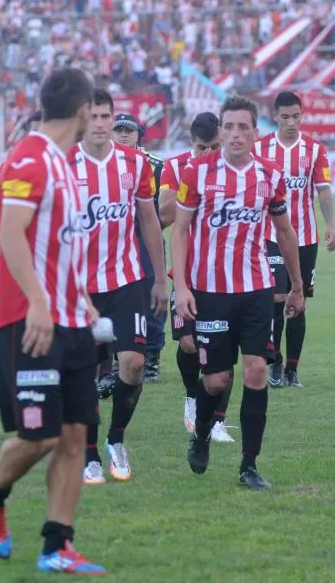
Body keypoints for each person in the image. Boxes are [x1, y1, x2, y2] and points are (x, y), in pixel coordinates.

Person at [0, 68, 107, 574]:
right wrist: (41, 303)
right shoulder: (29, 156)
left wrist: (81, 298)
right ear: (84, 111)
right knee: (40, 435)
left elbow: (58, 247)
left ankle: (57, 544)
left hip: (71, 320)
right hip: (29, 320)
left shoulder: (66, 163)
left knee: (74, 437)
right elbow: (9, 236)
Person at [172, 96, 305, 490]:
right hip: (210, 290)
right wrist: (181, 286)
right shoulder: (196, 173)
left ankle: (249, 465)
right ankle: (200, 436)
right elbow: (179, 230)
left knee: (257, 371)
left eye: (242, 127)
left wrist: (296, 285)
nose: (235, 134)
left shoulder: (270, 175)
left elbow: (284, 232)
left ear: (254, 132)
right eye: (228, 127)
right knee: (215, 382)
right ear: (220, 132)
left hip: (256, 290)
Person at [71, 92, 166, 485]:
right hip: (79, 290)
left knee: (134, 364)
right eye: (92, 116)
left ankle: (116, 438)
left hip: (127, 280)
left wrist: (160, 278)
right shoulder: (62, 163)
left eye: (105, 116)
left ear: (113, 120)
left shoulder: (135, 162)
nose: (99, 123)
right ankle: (89, 453)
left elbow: (149, 220)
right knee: (87, 373)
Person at [254, 91, 335, 388]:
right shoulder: (260, 147)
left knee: (299, 303)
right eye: (285, 116)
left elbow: (324, 190)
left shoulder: (315, 149)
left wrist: (331, 225)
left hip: (305, 238)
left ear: (302, 116)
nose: (291, 122)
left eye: (296, 116)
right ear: (275, 116)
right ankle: (275, 364)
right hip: (270, 236)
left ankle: (292, 370)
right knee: (277, 298)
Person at [158, 112, 235, 443]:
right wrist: (195, 187)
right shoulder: (175, 168)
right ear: (192, 145)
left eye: (214, 147)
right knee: (188, 343)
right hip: (186, 271)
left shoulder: (234, 167)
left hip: (224, 273)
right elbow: (162, 213)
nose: (209, 154)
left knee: (223, 348)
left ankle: (217, 420)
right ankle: (192, 396)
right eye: (203, 148)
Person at [111, 113, 166, 381]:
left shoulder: (154, 165)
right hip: (114, 240)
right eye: (118, 130)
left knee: (151, 296)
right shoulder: (102, 165)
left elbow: (164, 209)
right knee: (114, 296)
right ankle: (116, 357)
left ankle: (152, 357)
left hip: (144, 239)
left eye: (128, 131)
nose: (123, 134)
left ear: (139, 135)